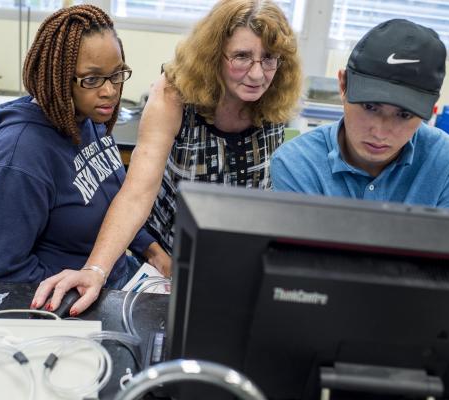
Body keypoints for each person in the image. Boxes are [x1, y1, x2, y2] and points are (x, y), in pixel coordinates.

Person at [31, 0, 302, 313]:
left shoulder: (275, 93)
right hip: (172, 260)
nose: (257, 74)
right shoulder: (175, 94)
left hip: (242, 257)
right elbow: (137, 193)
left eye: (269, 58)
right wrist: (95, 271)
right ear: (215, 54)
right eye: (242, 56)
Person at [0, 5, 169, 315]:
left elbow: (113, 196)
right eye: (92, 79)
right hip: (75, 305)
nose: (110, 91)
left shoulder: (86, 117)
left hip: (115, 278)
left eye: (117, 74)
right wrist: (78, 300)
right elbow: (2, 276)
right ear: (59, 77)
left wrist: (152, 250)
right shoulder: (17, 158)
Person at [271, 19, 449, 211]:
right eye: (370, 107)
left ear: (432, 106)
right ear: (343, 85)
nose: (380, 132)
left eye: (404, 115)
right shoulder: (296, 163)